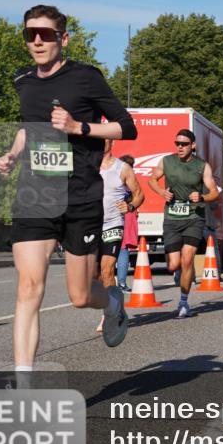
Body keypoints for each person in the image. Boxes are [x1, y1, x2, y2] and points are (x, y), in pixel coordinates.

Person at [0, 4, 137, 367]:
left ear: (63, 39)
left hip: (80, 196)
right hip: (36, 194)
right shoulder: (22, 80)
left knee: (79, 295)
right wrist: (11, 155)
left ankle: (113, 302)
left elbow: (126, 127)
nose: (38, 41)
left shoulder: (86, 78)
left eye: (46, 34)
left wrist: (79, 128)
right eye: (31, 34)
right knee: (28, 288)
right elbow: (29, 127)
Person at [147, 129, 219, 318]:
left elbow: (214, 192)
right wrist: (162, 192)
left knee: (187, 260)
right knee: (173, 265)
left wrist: (202, 196)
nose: (180, 147)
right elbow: (152, 180)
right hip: (172, 217)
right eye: (177, 143)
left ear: (192, 145)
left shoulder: (202, 166)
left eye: (184, 144)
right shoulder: (166, 161)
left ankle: (184, 301)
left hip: (194, 217)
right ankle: (179, 273)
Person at [95, 141, 143, 333]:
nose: (102, 142)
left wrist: (130, 206)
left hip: (113, 224)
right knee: (94, 275)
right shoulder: (87, 165)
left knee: (107, 270)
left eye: (105, 138)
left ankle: (109, 315)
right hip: (91, 226)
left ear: (111, 141)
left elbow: (139, 194)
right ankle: (115, 306)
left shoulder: (122, 168)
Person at [116, 155, 139, 291]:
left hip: (112, 214)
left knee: (110, 250)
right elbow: (137, 196)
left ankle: (104, 282)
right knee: (123, 250)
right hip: (127, 214)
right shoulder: (130, 179)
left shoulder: (114, 177)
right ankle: (122, 283)